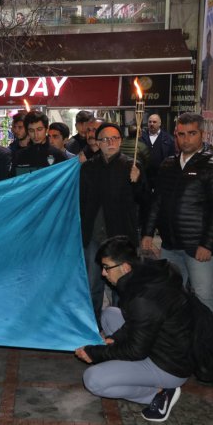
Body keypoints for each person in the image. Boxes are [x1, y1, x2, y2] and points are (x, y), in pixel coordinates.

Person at [76, 236, 192, 423]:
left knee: (93, 379)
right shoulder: (146, 273)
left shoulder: (142, 298)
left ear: (125, 267)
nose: (103, 274)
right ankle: (145, 376)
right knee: (110, 314)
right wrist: (116, 338)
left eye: (107, 267)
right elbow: (137, 321)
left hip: (170, 365)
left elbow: (136, 350)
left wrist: (96, 353)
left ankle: (159, 393)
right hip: (165, 343)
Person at [142, 113, 213, 315]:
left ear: (203, 134)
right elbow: (158, 202)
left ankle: (210, 344)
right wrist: (147, 232)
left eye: (192, 133)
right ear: (175, 135)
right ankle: (181, 341)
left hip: (199, 246)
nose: (186, 139)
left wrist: (207, 244)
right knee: (171, 295)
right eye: (181, 134)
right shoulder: (168, 164)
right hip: (170, 244)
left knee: (202, 296)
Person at [80, 123, 145, 323]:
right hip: (93, 237)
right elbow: (81, 200)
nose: (111, 143)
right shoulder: (89, 167)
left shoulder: (131, 165)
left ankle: (119, 326)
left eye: (115, 138)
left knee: (122, 285)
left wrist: (138, 181)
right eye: (105, 139)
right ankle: (94, 325)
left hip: (120, 238)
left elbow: (144, 200)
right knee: (93, 284)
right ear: (97, 143)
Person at [10, 110, 66, 176]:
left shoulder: (58, 156)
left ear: (47, 129)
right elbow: (13, 182)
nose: (36, 135)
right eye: (31, 130)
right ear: (27, 131)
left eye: (39, 129)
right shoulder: (19, 156)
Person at [140, 114, 175, 189]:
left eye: (154, 122)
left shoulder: (168, 139)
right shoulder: (141, 138)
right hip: (145, 175)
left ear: (160, 123)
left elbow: (172, 157)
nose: (151, 124)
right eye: (150, 122)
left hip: (161, 175)